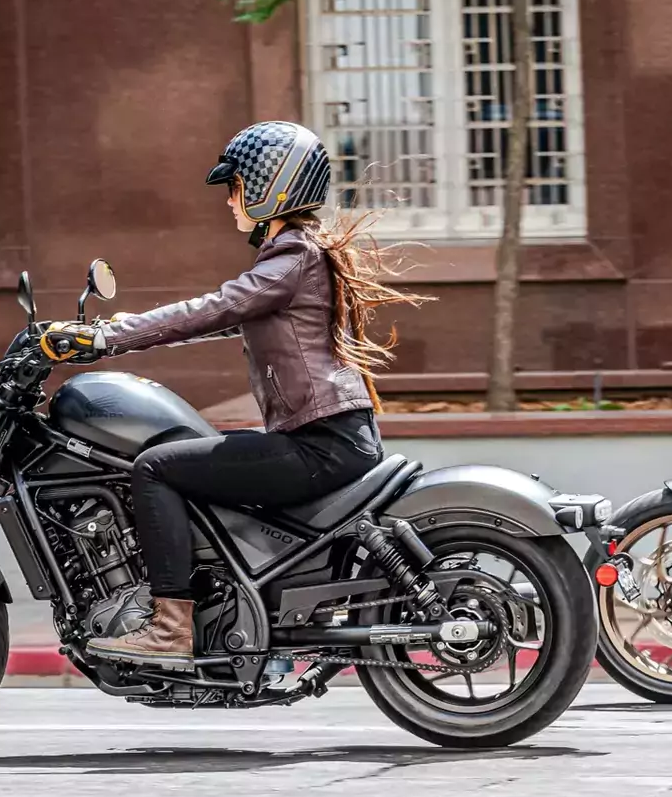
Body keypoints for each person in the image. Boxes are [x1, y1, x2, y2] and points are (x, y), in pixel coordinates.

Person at [38, 120, 421, 666]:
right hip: (326, 438)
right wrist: (126, 326)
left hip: (319, 445)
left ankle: (170, 629)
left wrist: (105, 338)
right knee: (198, 455)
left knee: (156, 468)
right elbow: (227, 317)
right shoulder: (298, 256)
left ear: (271, 187)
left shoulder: (291, 258)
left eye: (236, 186)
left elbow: (215, 307)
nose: (229, 200)